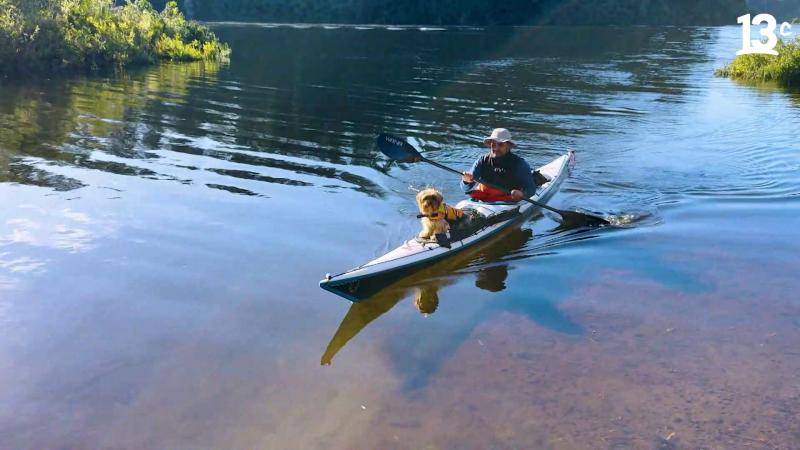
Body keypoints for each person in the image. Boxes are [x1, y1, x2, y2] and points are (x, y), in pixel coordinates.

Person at [461, 128, 536, 203]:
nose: (496, 148)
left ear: (508, 146)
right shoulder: (482, 161)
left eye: (500, 144)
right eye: (493, 144)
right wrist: (466, 181)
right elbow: (465, 188)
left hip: (507, 202)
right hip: (483, 201)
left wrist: (522, 194)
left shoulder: (520, 164)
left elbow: (531, 190)